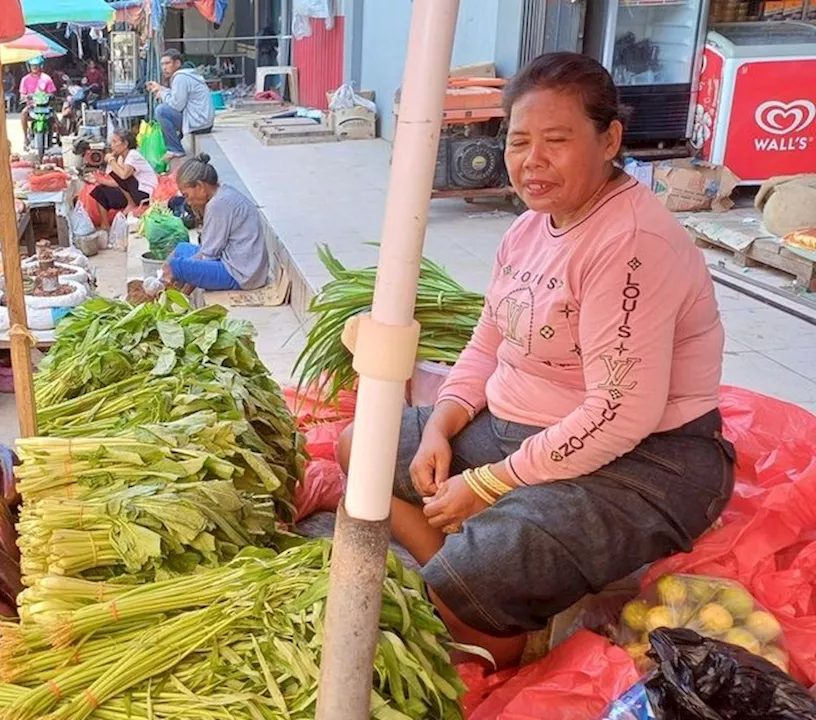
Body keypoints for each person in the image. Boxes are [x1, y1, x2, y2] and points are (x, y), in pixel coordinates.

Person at [337, 53, 732, 668]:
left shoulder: (632, 244)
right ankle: (468, 578)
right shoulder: (528, 230)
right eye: (518, 141)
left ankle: (490, 618)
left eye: (556, 140)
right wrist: (442, 423)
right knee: (360, 445)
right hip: (521, 430)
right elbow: (488, 344)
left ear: (610, 140)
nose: (532, 160)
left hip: (648, 458)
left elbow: (621, 414)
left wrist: (491, 482)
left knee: (477, 573)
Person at [164, 154, 268, 291]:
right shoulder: (224, 192)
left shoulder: (217, 205)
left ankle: (165, 296)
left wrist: (184, 278)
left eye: (187, 195)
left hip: (240, 274)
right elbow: (209, 251)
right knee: (181, 249)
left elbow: (209, 255)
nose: (188, 202)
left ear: (200, 186)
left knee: (176, 266)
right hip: (237, 264)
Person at [146, 50, 214, 160]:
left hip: (199, 123)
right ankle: (175, 142)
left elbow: (176, 105)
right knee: (164, 110)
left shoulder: (180, 77)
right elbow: (177, 97)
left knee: (161, 111)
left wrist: (162, 93)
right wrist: (161, 89)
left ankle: (175, 149)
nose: (164, 67)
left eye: (168, 63)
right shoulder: (186, 75)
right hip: (204, 122)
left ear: (177, 64)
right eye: (162, 64)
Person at [90, 129, 157, 218]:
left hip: (145, 192)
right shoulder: (122, 158)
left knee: (116, 173)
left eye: (115, 142)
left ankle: (131, 204)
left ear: (125, 144)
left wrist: (111, 160)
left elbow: (123, 176)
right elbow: (119, 183)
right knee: (100, 190)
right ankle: (104, 225)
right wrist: (100, 180)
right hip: (134, 191)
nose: (112, 145)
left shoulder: (133, 155)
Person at [19, 56, 58, 146]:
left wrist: (51, 95)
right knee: (23, 114)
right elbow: (22, 94)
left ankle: (58, 137)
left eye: (36, 65)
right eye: (32, 65)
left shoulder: (46, 78)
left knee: (55, 118)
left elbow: (52, 92)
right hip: (32, 106)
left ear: (41, 66)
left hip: (45, 106)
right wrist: (25, 97)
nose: (34, 67)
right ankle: (25, 137)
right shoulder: (25, 79)